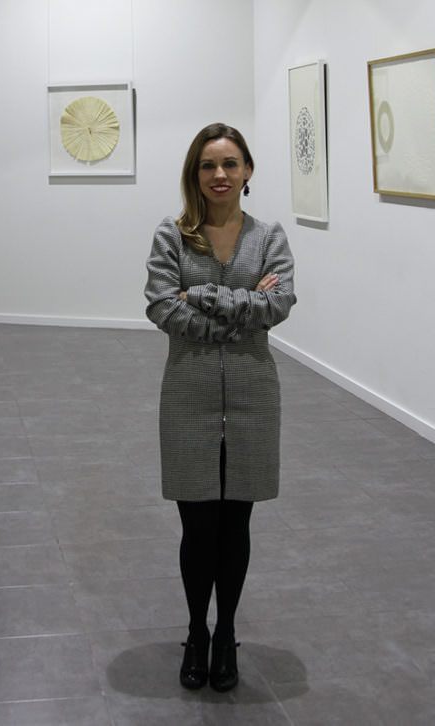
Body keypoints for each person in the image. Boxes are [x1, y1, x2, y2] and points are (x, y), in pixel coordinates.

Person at [144, 123, 296, 692]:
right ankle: (195, 631)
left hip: (255, 393)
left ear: (248, 171)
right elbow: (162, 307)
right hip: (188, 391)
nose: (221, 175)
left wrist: (202, 295)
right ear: (195, 174)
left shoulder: (269, 235)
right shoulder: (172, 236)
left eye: (231, 164)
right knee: (196, 523)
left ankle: (226, 631)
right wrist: (243, 302)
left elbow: (279, 304)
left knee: (237, 523)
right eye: (209, 165)